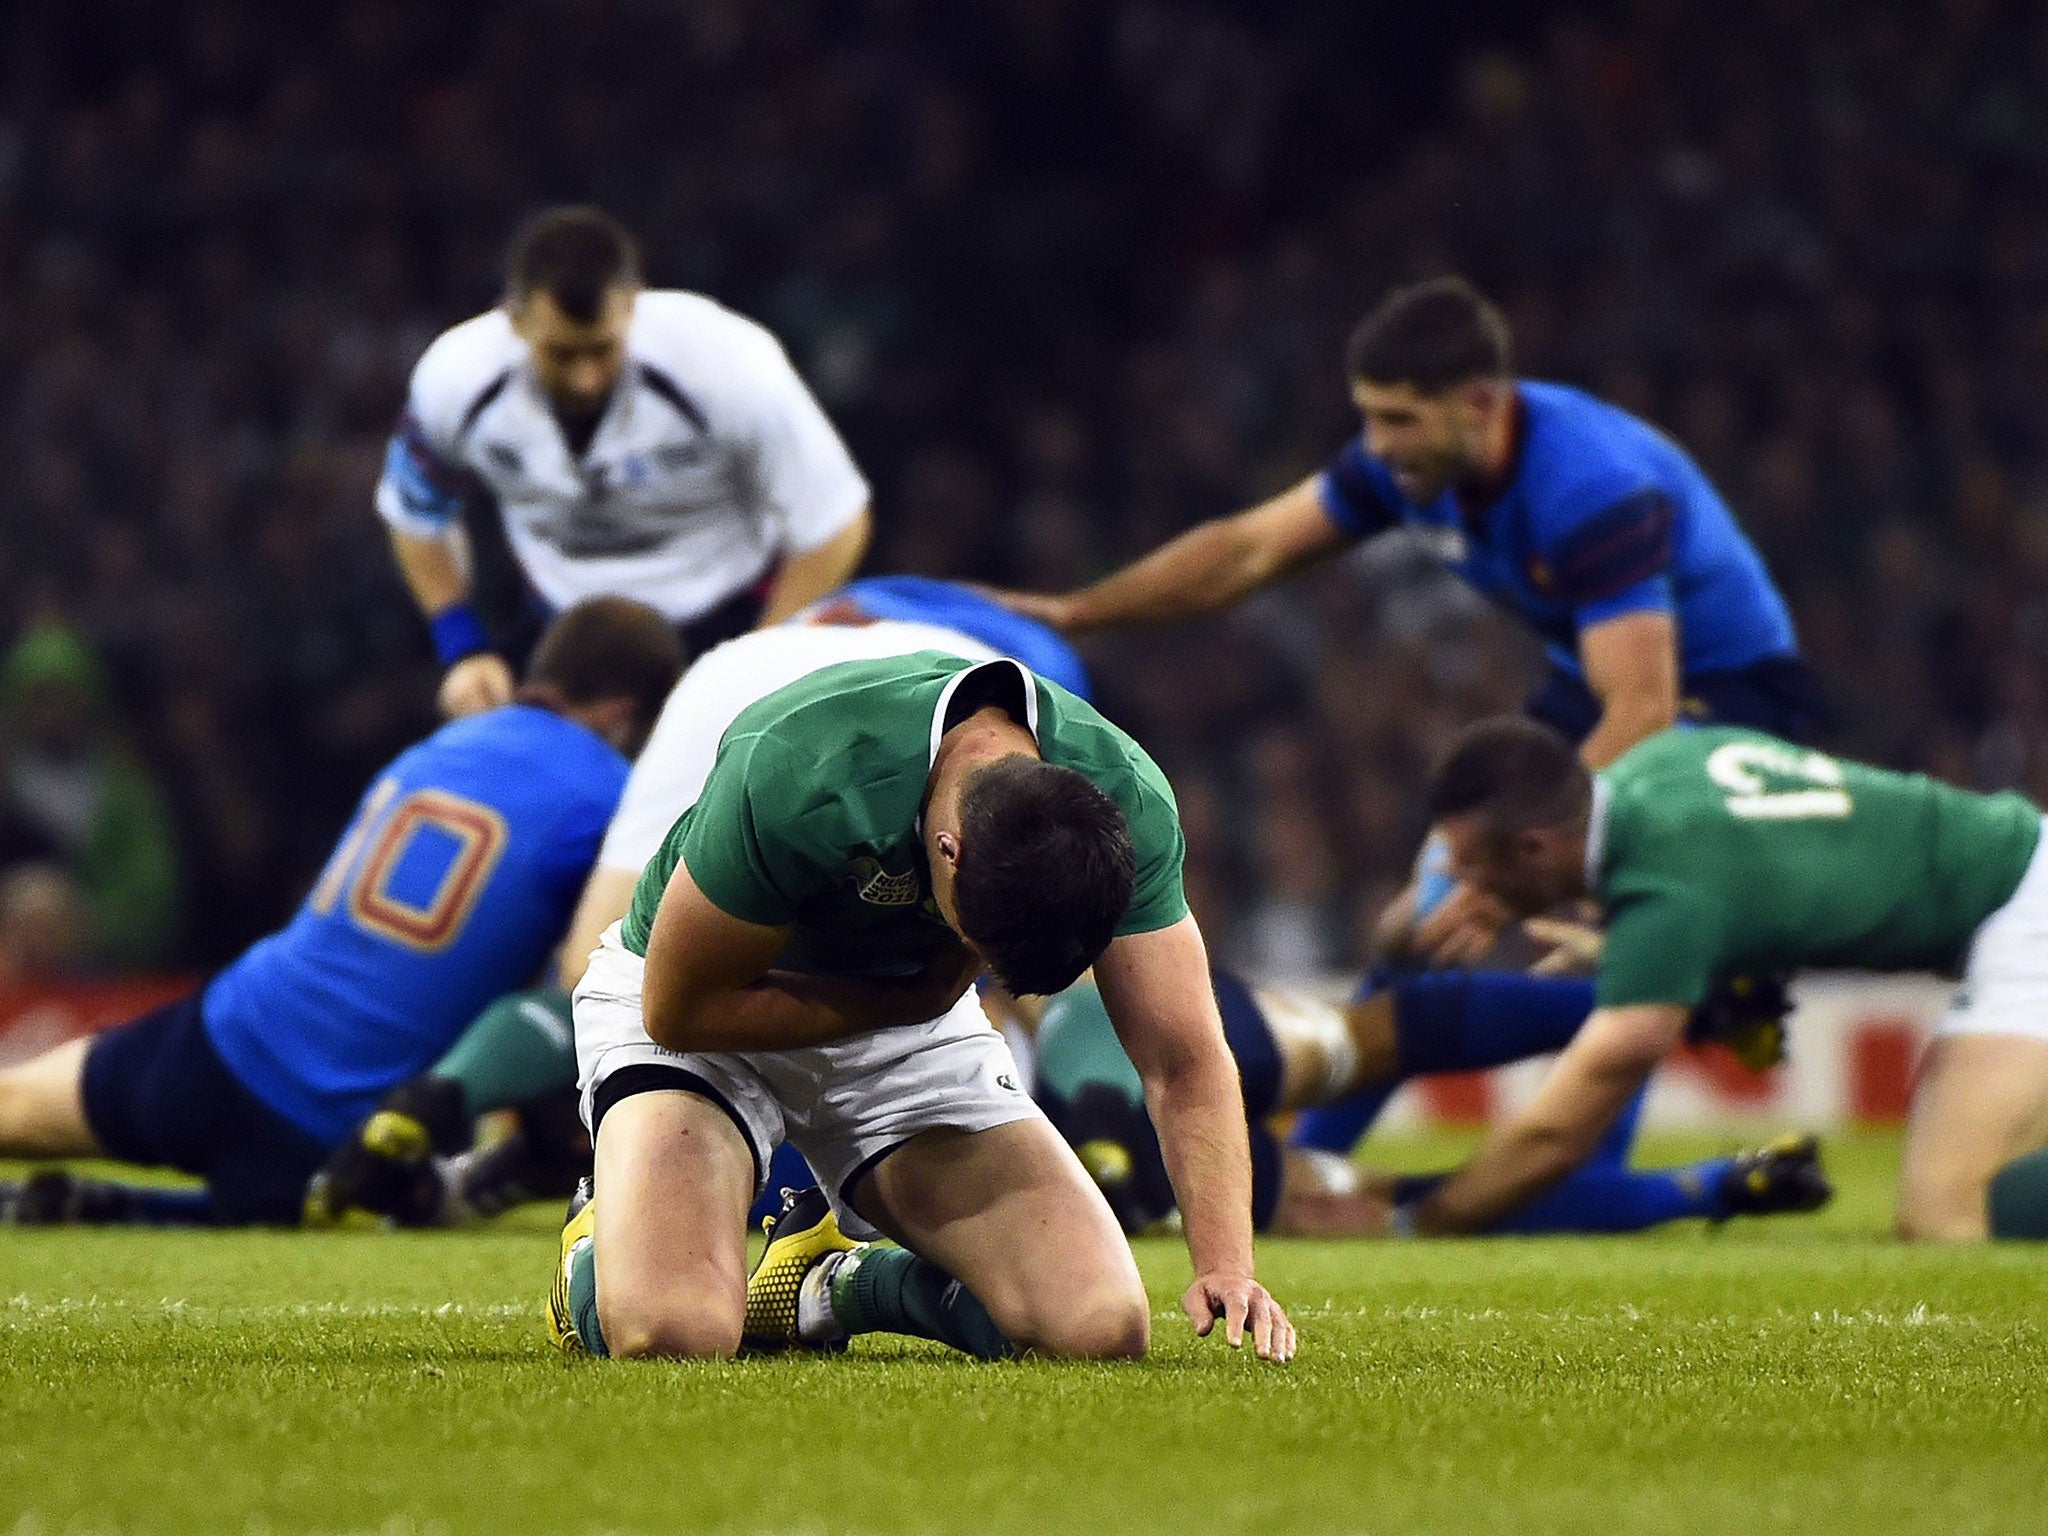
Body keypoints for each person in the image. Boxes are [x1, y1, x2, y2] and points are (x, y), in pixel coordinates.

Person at [998, 276, 1821, 962]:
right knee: (1418, 922)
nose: (1378, 445)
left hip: (1728, 708)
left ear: (1476, 403)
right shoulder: (1413, 466)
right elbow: (1247, 551)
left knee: (1586, 917)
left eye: (1399, 420)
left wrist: (1492, 872)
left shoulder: (1589, 488)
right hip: (1595, 683)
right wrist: (1080, 610)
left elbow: (1645, 708)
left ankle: (1614, 1141)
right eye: (1369, 416)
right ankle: (1320, 1149)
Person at [555, 648, 1295, 1363]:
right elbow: (679, 1011)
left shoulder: (1124, 807)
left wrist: (1226, 1263)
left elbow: (1184, 1059)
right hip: (707, 1023)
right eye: (980, 946)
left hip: (907, 1019)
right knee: (673, 1332)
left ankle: (832, 1283)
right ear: (949, 851)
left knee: (1099, 1327)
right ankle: (595, 1245)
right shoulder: (805, 766)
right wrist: (906, 999)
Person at [309, 576, 1096, 1227]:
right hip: (867, 743)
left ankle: (478, 1114)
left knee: (599, 967)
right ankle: (1108, 1151)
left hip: (736, 681)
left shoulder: (860, 606)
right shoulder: (1046, 682)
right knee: (1026, 978)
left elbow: (830, 537)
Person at [0, 600, 681, 1226]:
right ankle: (126, 1208)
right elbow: (582, 992)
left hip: (228, 1028)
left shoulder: (446, 743)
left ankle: (114, 1203)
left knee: (18, 1106)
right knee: (611, 1002)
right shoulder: (616, 796)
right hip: (341, 1122)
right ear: (623, 713)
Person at [1398, 717, 2048, 1242]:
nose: (1464, 888)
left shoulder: (1667, 896)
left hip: (2025, 908)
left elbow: (1555, 1136)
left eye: (1473, 868)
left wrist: (1422, 1221)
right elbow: (1748, 859)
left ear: (1535, 849)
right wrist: (1617, 940)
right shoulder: (1658, 764)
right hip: (2010, 872)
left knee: (1945, 1216)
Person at [377, 205, 872, 720]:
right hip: (563, 637)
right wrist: (463, 649)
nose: (585, 378)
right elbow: (413, 515)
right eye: (562, 355)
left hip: (728, 619)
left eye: (601, 350)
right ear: (515, 320)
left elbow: (835, 523)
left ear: (633, 308)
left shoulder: (730, 365)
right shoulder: (455, 381)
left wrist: (755, 660)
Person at [1027, 965, 1828, 1238]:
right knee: (1365, 1040)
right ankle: (1692, 1004)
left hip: (1102, 1158)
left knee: (1406, 1210)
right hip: (1117, 1029)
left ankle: (1719, 1184)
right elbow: (1021, 986)